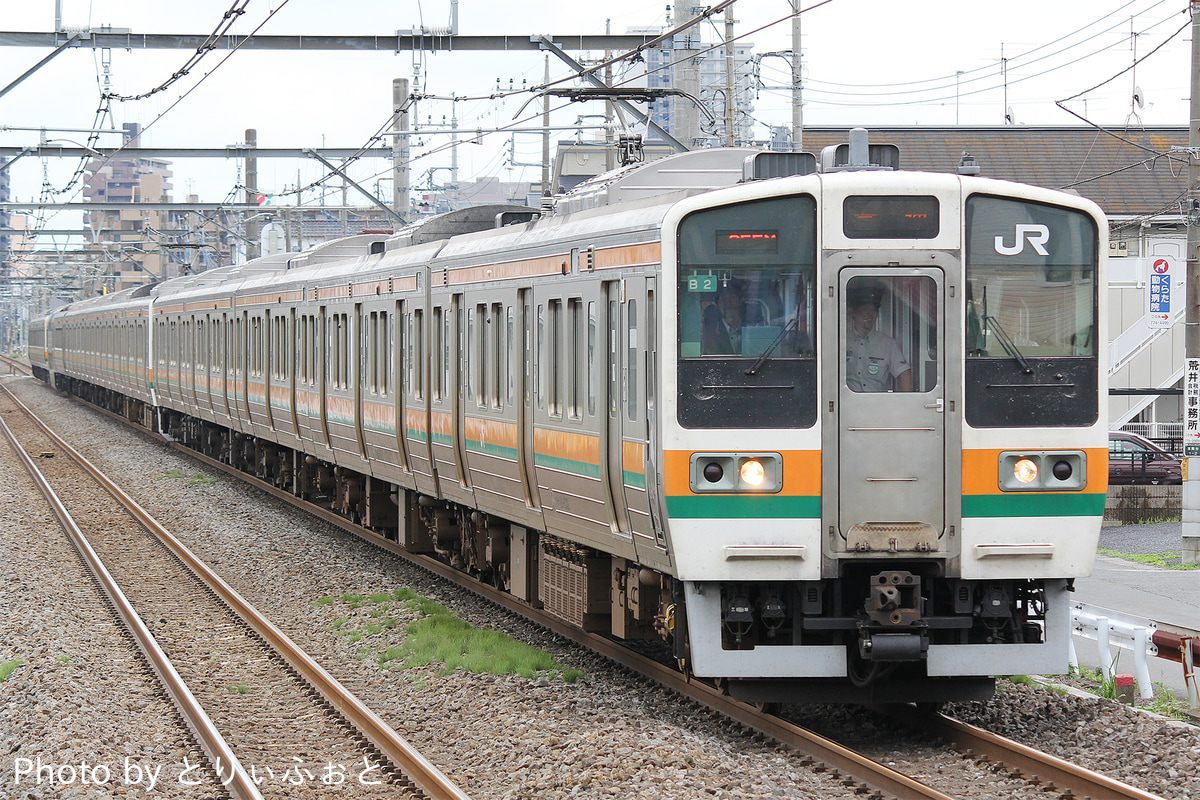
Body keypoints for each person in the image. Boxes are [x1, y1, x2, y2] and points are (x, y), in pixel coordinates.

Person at [845, 283, 913, 392]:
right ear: (854, 313)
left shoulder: (887, 343)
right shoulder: (842, 341)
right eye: (865, 309)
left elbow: (904, 373)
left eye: (873, 310)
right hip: (847, 403)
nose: (869, 314)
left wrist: (906, 404)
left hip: (877, 403)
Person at [701, 281, 745, 355]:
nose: (728, 303)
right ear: (718, 304)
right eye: (723, 299)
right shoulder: (709, 335)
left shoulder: (752, 329)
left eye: (732, 298)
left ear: (740, 301)